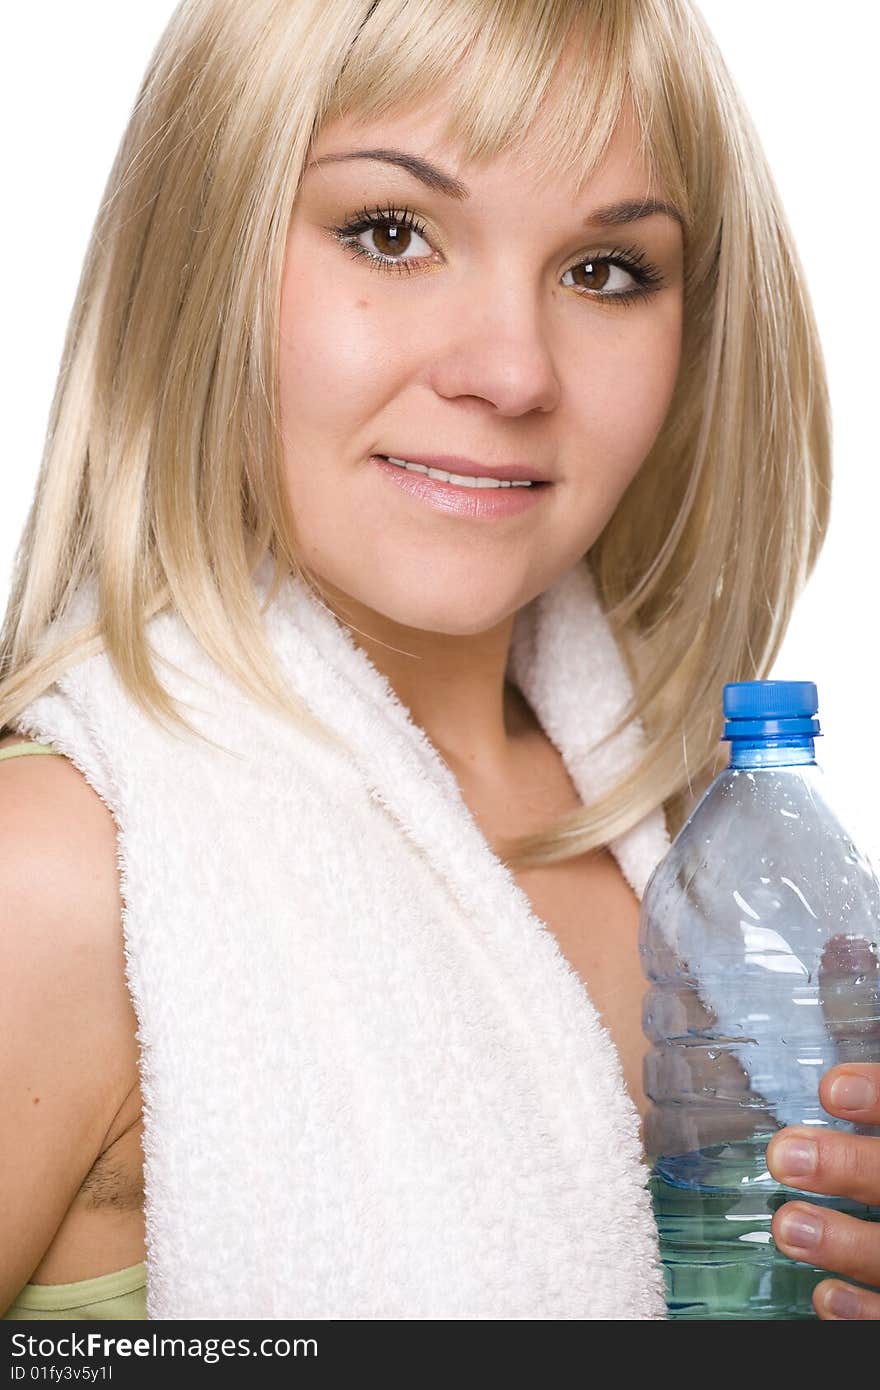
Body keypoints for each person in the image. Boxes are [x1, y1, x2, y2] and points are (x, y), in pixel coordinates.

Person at [0, 0, 876, 1321]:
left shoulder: (702, 838)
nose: (514, 370)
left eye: (606, 271)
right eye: (392, 234)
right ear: (200, 255)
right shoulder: (55, 879)